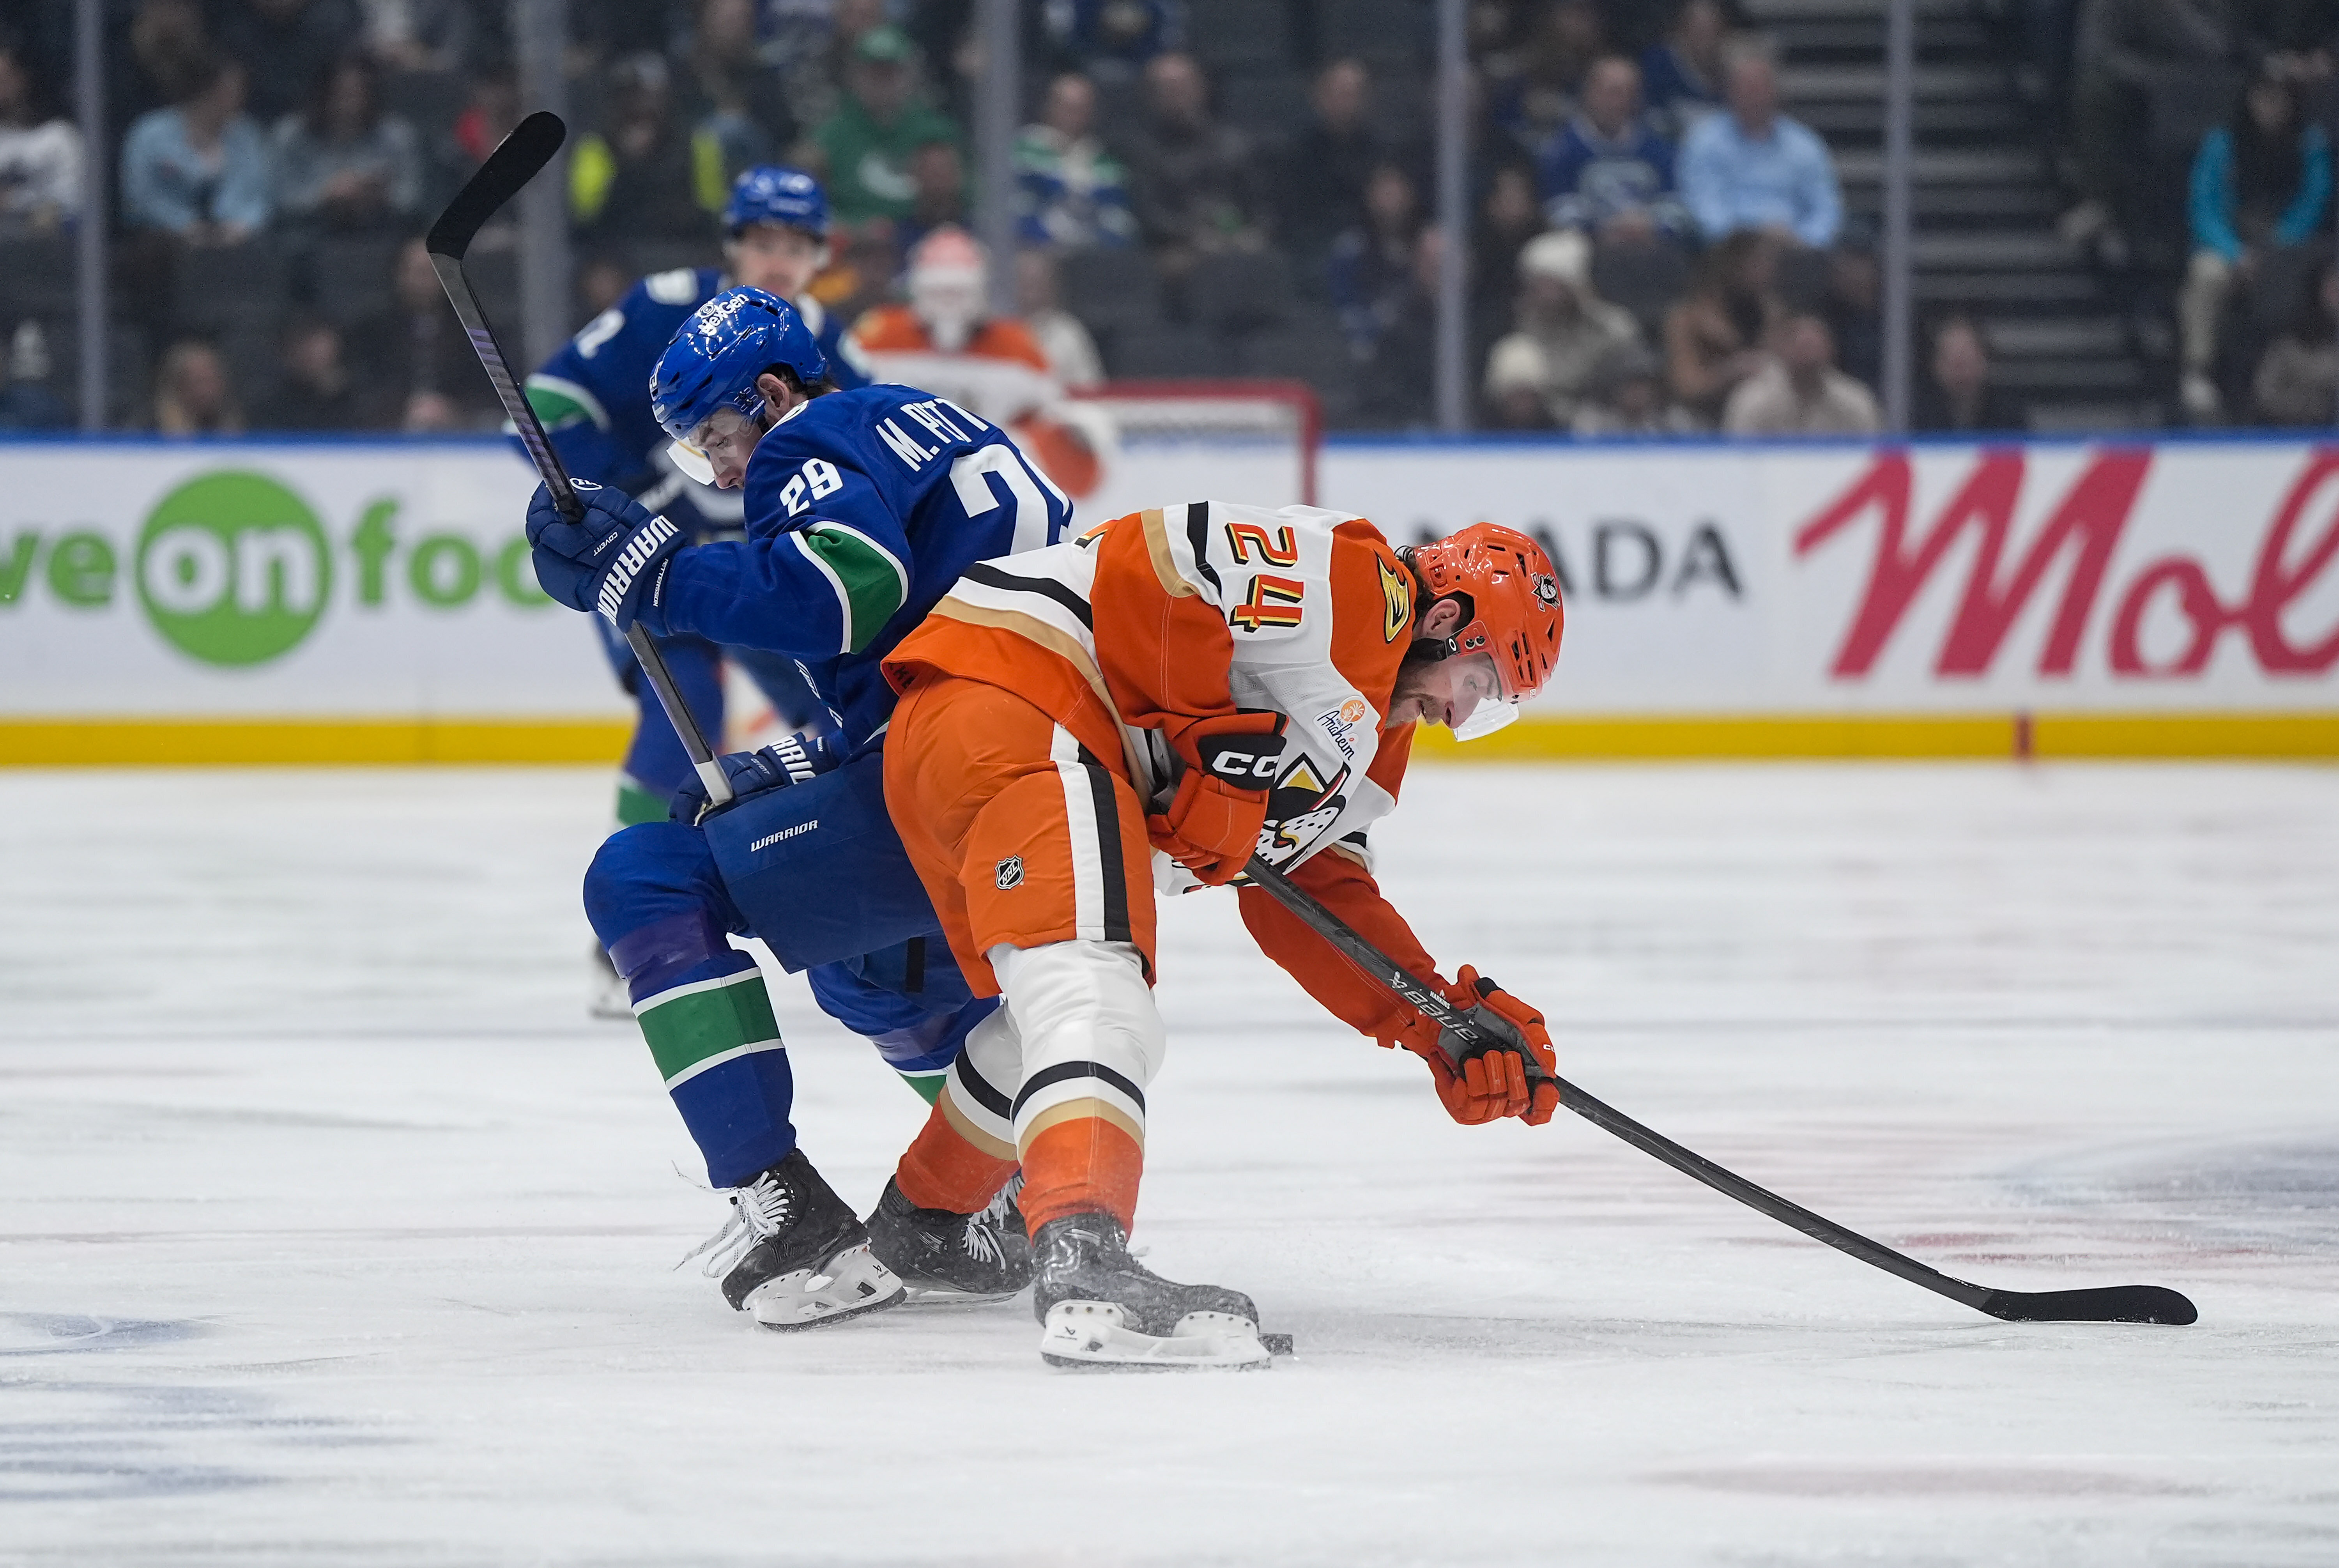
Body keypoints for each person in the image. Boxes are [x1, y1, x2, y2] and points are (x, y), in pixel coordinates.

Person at [864, 508, 1564, 1367]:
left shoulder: (1376, 738)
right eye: (1481, 684)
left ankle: (927, 1219)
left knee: (1050, 1016)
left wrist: (1438, 1021)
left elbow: (1311, 889)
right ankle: (1087, 1265)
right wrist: (1208, 744)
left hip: (997, 732)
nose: (1462, 716)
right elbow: (1153, 563)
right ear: (1448, 619)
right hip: (1025, 699)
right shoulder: (1361, 584)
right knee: (1096, 996)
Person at [526, 287, 1073, 1327]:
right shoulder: (928, 422)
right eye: (701, 454)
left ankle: (793, 1223)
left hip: (955, 786)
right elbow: (949, 643)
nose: (726, 470)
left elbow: (844, 592)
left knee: (641, 876)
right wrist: (797, 754)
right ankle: (995, 1195)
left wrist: (662, 573)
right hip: (1043, 789)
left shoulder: (809, 435)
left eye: (722, 437)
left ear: (770, 393)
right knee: (867, 965)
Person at [526, 166, 874, 852]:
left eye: (798, 246)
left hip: (760, 570)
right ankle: (649, 885)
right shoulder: (664, 307)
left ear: (820, 257)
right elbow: (543, 409)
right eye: (763, 241)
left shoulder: (830, 344)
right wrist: (632, 495)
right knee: (682, 708)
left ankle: (856, 882)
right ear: (732, 244)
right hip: (655, 560)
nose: (779, 261)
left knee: (851, 711)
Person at [848, 225, 1100, 495]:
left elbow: (1051, 418)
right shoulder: (880, 334)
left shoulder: (1017, 345)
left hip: (990, 485)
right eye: (940, 292)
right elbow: (845, 407)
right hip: (896, 481)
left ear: (980, 288)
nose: (949, 305)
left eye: (958, 293)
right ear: (918, 289)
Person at [2180, 76, 2333, 421]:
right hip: (2230, 247)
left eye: (2278, 100)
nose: (2270, 109)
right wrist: (2236, 252)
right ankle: (2198, 370)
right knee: (2207, 276)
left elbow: (2314, 199)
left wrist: (2277, 249)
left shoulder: (2310, 143)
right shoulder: (2223, 143)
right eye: (2262, 99)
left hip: (2291, 249)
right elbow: (2204, 206)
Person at [1677, 35, 1841, 251]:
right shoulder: (1704, 141)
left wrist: (1804, 240)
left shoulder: (1804, 145)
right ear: (1730, 90)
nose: (1754, 96)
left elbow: (1827, 209)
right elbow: (1703, 207)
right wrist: (1750, 242)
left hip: (1793, 249)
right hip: (1727, 252)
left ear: (1775, 90)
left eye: (1760, 87)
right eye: (1746, 87)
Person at [1482, 228, 1642, 428]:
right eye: (1538, 284)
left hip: (1600, 422)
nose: (1545, 294)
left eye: (1553, 284)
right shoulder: (1513, 323)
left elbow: (1628, 379)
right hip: (1539, 423)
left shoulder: (1613, 327)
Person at [1125, 51, 1267, 277]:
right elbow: (1150, 214)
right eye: (1168, 88)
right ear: (1153, 96)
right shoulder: (1142, 152)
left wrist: (1249, 234)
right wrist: (1196, 236)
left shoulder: (1236, 144)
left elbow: (1261, 204)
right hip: (1178, 246)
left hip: (1238, 242)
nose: (1178, 94)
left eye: (1184, 85)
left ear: (1202, 88)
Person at [813, 25, 964, 226]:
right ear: (854, 76)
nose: (882, 81)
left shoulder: (936, 132)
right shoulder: (830, 137)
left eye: (891, 72)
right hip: (855, 246)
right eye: (873, 72)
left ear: (911, 75)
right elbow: (814, 208)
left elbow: (971, 198)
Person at [354, 236, 506, 431]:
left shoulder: (478, 331)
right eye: (419, 271)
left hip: (463, 436)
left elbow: (493, 391)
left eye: (434, 272)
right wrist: (403, 409)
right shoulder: (372, 332)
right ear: (400, 274)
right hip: (387, 436)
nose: (427, 279)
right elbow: (364, 388)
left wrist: (454, 411)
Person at [1537, 55, 1688, 247]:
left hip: (1649, 244)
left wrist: (1652, 225)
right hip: (1587, 246)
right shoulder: (1562, 149)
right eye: (1613, 92)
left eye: (1630, 94)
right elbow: (1557, 208)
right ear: (1590, 92)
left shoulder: (1658, 149)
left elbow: (1676, 204)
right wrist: (1603, 228)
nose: (1620, 102)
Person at [120, 54, 272, 244]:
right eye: (225, 90)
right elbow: (140, 197)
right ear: (204, 89)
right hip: (164, 244)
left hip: (236, 245)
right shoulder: (151, 133)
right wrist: (185, 225)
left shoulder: (247, 136)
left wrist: (242, 225)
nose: (237, 97)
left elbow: (259, 196)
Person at [569, 53, 719, 244]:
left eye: (653, 96)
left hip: (679, 253)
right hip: (615, 254)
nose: (643, 105)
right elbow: (585, 214)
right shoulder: (596, 148)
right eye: (633, 95)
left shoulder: (695, 145)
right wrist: (628, 164)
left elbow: (712, 213)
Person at [270, 51, 423, 234]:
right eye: (341, 95)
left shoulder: (396, 137)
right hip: (307, 236)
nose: (349, 104)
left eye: (357, 95)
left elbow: (412, 197)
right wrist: (325, 195)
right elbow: (276, 199)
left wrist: (379, 194)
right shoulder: (291, 136)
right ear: (324, 94)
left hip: (379, 232)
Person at [1277, 58, 1387, 269]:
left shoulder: (1383, 154)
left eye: (1354, 94)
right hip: (1310, 250)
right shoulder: (1297, 154)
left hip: (1370, 250)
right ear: (1319, 97)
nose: (1346, 102)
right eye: (1339, 93)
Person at [1664, 229, 1780, 425]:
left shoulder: (1775, 315)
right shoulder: (1686, 319)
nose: (1764, 271)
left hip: (1766, 416)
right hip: (1702, 419)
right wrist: (1730, 372)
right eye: (1755, 263)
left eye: (1768, 262)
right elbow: (1686, 386)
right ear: (1732, 266)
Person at [1015, 71, 1138, 251]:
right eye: (1067, 107)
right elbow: (1016, 208)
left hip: (1091, 257)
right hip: (1036, 250)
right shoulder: (1023, 150)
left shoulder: (1105, 161)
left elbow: (1119, 219)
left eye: (1082, 109)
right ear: (1049, 107)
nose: (1074, 116)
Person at [1722, 312, 1882, 435]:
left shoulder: (1855, 401)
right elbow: (1737, 458)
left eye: (1815, 346)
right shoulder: (1754, 399)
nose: (1809, 356)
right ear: (1782, 348)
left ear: (1831, 350)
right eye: (1803, 347)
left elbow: (1874, 456)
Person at [0, 39, 83, 232]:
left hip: (45, 248)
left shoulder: (61, 138)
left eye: (3, 81)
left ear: (23, 79)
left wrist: (13, 202)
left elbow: (72, 203)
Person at [2252, 258, 2339, 424]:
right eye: (2334, 288)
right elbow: (2266, 395)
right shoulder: (2289, 347)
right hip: (2295, 436)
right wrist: (2317, 405)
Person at [1914, 316, 2024, 432]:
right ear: (1936, 365)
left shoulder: (2008, 415)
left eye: (1967, 360)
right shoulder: (1916, 414)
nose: (1959, 372)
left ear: (1984, 359)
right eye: (1952, 361)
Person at [255, 313, 363, 429]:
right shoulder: (278, 405)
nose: (310, 349)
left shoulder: (361, 398)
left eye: (316, 339)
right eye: (302, 341)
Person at [1572, 340, 1701, 435]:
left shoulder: (1672, 420)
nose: (1637, 393)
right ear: (1615, 387)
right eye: (1630, 386)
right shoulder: (1593, 420)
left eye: (1643, 386)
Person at [1641, 0, 1727, 139]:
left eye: (1712, 31)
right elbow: (1650, 119)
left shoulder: (1729, 70)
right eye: (1699, 30)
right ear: (1683, 30)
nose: (1706, 39)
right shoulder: (1659, 64)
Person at [152, 338, 242, 433]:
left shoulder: (237, 431)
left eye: (212, 381)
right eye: (200, 381)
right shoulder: (153, 432)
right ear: (179, 386)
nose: (209, 390)